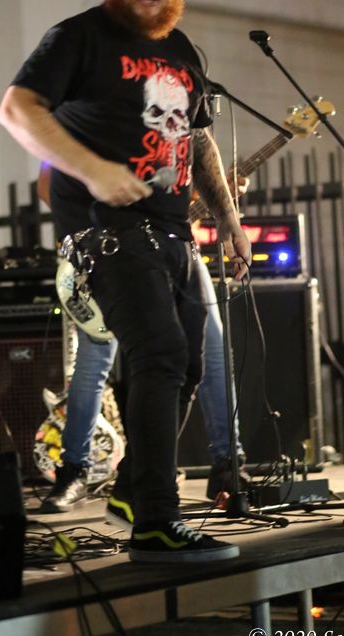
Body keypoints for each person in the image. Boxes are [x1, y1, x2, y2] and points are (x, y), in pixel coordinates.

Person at [0, 0, 251, 563]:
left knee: (186, 367)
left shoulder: (183, 49)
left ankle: (137, 492)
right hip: (104, 232)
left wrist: (228, 220)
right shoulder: (77, 37)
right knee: (160, 352)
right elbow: (17, 109)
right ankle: (158, 523)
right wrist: (93, 170)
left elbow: (197, 140)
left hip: (173, 234)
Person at [36, 163, 251, 514]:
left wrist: (221, 201)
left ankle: (227, 464)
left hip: (177, 247)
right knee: (95, 363)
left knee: (209, 354)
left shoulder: (180, 135)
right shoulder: (93, 131)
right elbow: (47, 183)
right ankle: (74, 470)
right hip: (111, 250)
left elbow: (193, 159)